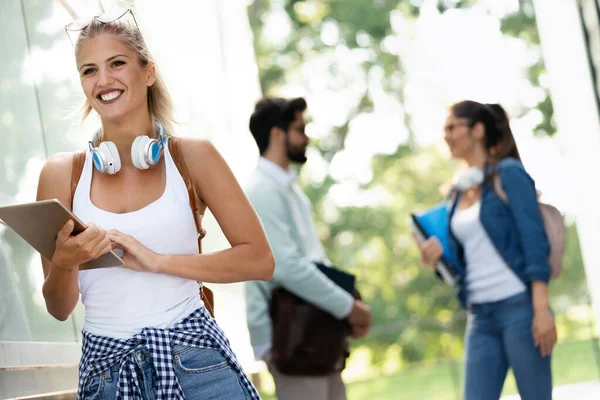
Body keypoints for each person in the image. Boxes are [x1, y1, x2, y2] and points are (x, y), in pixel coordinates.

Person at [36, 9, 274, 399]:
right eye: (89, 70)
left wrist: (158, 261)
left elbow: (260, 260)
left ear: (147, 72)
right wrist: (65, 261)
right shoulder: (60, 175)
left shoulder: (194, 157)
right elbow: (59, 308)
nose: (104, 80)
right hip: (106, 372)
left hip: (198, 359)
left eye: (117, 63)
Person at [413, 100, 556, 400]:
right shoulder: (456, 193)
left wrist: (540, 309)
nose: (446, 136)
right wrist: (436, 260)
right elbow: (464, 261)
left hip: (520, 309)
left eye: (452, 127)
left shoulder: (508, 174)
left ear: (477, 130)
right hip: (480, 315)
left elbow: (534, 240)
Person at [244, 96, 372, 400]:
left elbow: (315, 262)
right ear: (277, 134)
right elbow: (286, 267)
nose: (306, 138)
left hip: (314, 331)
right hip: (290, 336)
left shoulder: (291, 192)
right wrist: (348, 307)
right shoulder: (261, 191)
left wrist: (346, 309)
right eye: (300, 129)